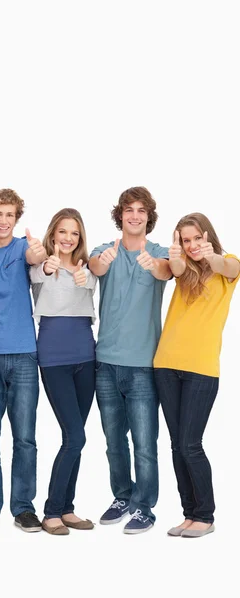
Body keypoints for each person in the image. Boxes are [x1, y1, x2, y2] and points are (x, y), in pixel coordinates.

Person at [88, 186, 171, 534]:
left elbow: (169, 270)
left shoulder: (159, 253)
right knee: (112, 441)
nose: (134, 215)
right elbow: (92, 265)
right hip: (105, 362)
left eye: (141, 210)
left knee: (144, 442)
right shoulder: (104, 250)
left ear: (148, 217)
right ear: (119, 214)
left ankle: (145, 507)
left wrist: (158, 267)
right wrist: (99, 263)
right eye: (128, 210)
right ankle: (122, 496)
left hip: (143, 365)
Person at [154, 213, 240, 538]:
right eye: (184, 240)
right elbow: (173, 269)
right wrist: (176, 259)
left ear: (207, 236)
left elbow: (227, 266)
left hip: (201, 369)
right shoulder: (183, 270)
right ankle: (189, 514)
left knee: (191, 444)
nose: (191, 246)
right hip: (165, 364)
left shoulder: (226, 266)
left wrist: (211, 255)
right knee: (177, 445)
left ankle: (205, 514)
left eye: (195, 239)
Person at [0, 188, 47, 533]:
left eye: (10, 215)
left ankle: (24, 507)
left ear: (17, 219)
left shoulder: (21, 248)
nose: (3, 220)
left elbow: (35, 257)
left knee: (25, 437)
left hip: (25, 354)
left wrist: (39, 250)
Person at [30, 208, 97, 535]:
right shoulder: (42, 267)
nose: (68, 238)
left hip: (86, 357)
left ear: (80, 237)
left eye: (74, 233)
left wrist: (87, 279)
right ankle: (52, 511)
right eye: (63, 232)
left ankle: (67, 508)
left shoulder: (88, 271)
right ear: (53, 235)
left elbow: (92, 283)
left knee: (76, 438)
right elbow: (37, 274)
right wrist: (46, 264)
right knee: (76, 436)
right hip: (54, 358)